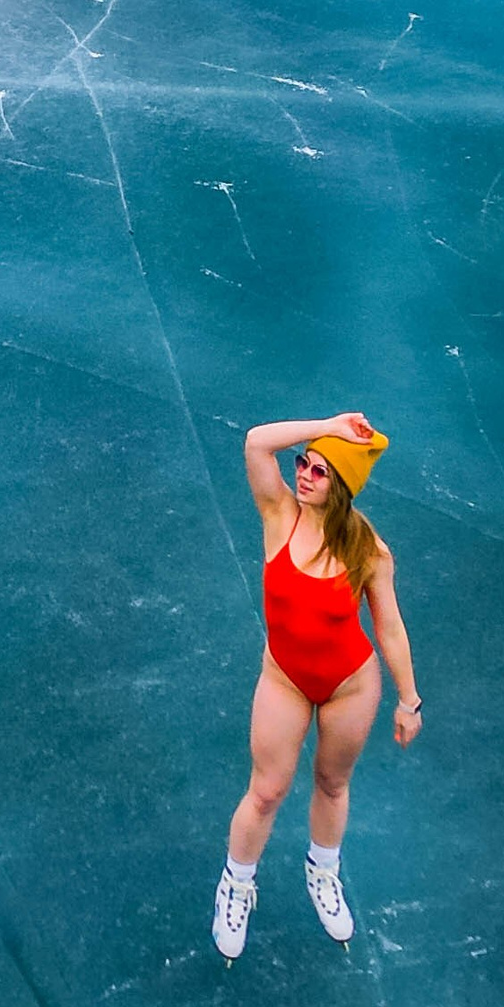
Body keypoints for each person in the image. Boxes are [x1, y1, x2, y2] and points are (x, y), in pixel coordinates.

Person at [212, 412, 421, 961]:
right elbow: (257, 442)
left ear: (344, 486)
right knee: (266, 791)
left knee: (331, 783)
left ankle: (323, 873)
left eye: (320, 470)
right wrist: (327, 424)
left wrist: (409, 699)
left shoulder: (368, 552)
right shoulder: (279, 513)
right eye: (303, 463)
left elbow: (390, 626)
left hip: (350, 686)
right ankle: (236, 885)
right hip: (284, 678)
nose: (303, 474)